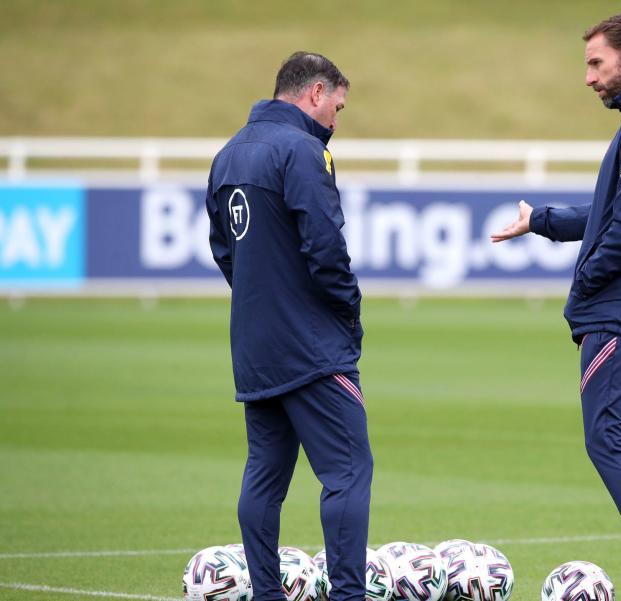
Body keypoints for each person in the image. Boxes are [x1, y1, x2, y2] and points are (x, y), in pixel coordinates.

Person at [491, 13, 621, 601]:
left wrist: (585, 291)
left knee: (609, 442)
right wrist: (543, 221)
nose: (588, 78)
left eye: (596, 63)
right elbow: (615, 212)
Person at [205, 51, 372, 601]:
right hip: (313, 348)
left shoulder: (227, 153)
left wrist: (264, 301)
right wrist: (347, 312)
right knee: (348, 470)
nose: (336, 121)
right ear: (315, 93)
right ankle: (349, 594)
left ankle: (267, 594)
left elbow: (223, 251)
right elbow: (326, 248)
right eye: (337, 107)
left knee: (264, 478)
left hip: (257, 347)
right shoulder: (303, 150)